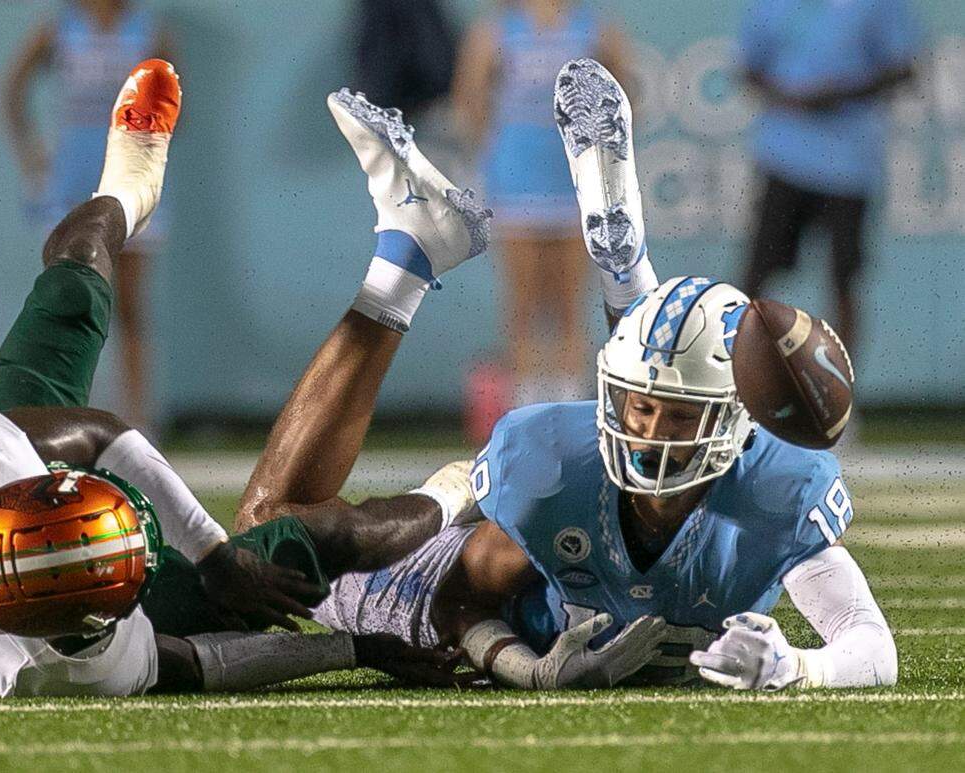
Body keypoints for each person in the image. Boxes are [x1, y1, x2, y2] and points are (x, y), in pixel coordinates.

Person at [0, 61, 491, 697]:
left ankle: (128, 185)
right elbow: (205, 665)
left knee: (75, 268)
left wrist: (214, 557)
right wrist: (351, 649)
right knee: (305, 539)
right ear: (104, 611)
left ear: (22, 492)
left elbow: (97, 434)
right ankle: (476, 480)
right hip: (95, 584)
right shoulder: (69, 665)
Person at [293, 61, 897, 692]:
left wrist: (797, 665)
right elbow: (458, 599)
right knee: (280, 534)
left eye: (683, 417)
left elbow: (870, 643)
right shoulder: (557, 469)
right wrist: (525, 668)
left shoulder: (774, 489)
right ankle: (407, 260)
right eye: (640, 411)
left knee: (655, 370)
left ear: (737, 423)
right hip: (429, 590)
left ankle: (626, 278)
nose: (652, 437)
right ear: (606, 399)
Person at [3, 0, 174, 430]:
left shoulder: (148, 28)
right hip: (71, 181)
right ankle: (57, 414)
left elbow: (172, 100)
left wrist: (148, 152)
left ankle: (138, 423)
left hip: (129, 178)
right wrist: (32, 158)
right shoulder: (60, 26)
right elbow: (12, 88)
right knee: (66, 298)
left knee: (130, 306)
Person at [451, 0, 629, 407]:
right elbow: (470, 99)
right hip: (516, 179)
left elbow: (623, 94)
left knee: (570, 303)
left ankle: (569, 404)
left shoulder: (595, 29)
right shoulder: (496, 31)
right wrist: (499, 150)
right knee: (524, 304)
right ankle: (527, 406)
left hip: (573, 177)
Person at [739, 0, 924, 364]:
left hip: (849, 164)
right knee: (755, 276)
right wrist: (789, 98)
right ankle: (735, 379)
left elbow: (903, 68)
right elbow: (748, 68)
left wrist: (843, 94)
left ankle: (842, 394)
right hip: (784, 155)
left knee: (844, 280)